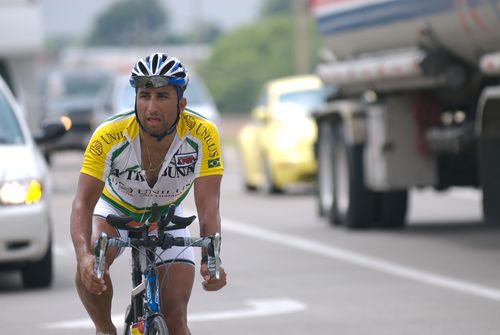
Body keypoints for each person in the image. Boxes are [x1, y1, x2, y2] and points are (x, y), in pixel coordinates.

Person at [70, 52, 227, 335]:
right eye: (145, 96)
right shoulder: (109, 135)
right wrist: (83, 256)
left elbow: (208, 207)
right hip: (117, 213)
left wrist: (211, 260)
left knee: (176, 317)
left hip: (167, 214)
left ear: (182, 103)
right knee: (95, 261)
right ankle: (105, 329)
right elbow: (82, 203)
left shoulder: (203, 134)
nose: (151, 107)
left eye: (162, 97)